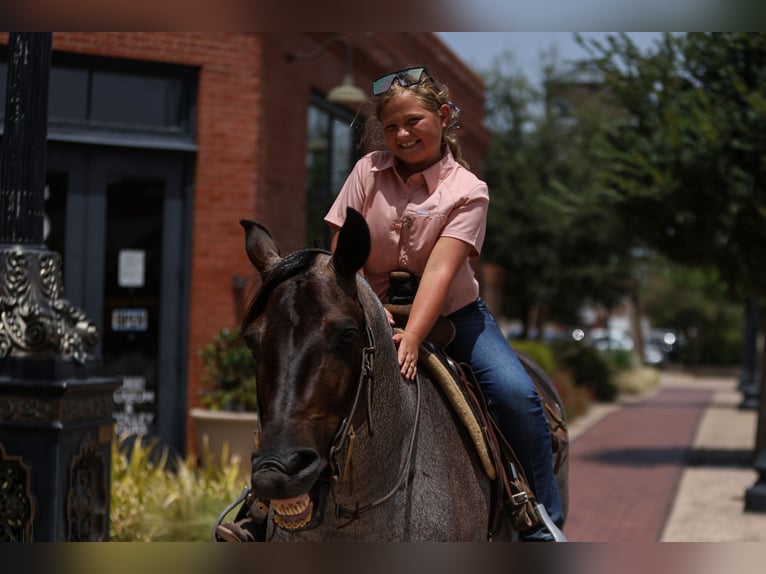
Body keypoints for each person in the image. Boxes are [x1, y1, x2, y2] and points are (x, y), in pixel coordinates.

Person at [324, 66, 564, 541]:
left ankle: (542, 523)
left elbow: (439, 269)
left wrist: (412, 336)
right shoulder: (365, 171)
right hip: (369, 311)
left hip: (456, 317)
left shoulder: (468, 190)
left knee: (517, 396)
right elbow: (340, 254)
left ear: (444, 115)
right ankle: (269, 504)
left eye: (413, 121)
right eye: (391, 126)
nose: (401, 135)